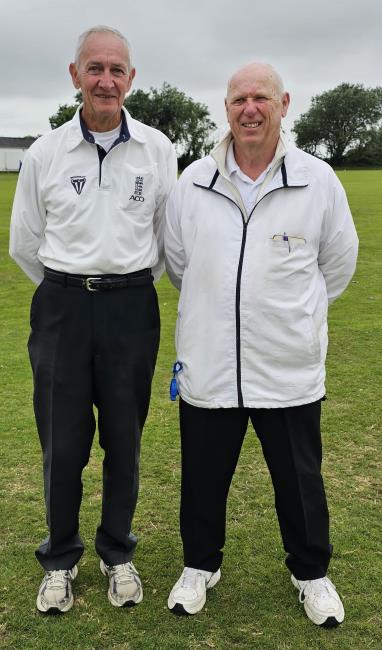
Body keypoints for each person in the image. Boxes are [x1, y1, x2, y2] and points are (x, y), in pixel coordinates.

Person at [164, 62, 358, 627]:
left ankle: (312, 573)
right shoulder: (193, 180)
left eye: (261, 98)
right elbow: (182, 265)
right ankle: (200, 565)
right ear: (225, 108)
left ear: (283, 104)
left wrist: (289, 318)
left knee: (300, 481)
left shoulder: (318, 180)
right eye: (239, 98)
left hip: (287, 366)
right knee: (202, 477)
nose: (250, 108)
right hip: (210, 364)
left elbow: (336, 266)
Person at [9, 25, 177, 614]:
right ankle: (59, 557)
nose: (106, 80)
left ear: (132, 78)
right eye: (95, 68)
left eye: (117, 69)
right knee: (62, 440)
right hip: (62, 308)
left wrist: (120, 288)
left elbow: (165, 240)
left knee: (125, 441)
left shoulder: (157, 149)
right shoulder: (45, 151)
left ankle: (117, 552)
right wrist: (75, 288)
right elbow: (27, 243)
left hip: (133, 308)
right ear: (74, 74)